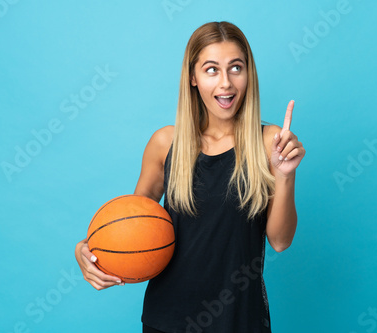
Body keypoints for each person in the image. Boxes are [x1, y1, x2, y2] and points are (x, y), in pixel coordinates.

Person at [75, 21, 305, 333]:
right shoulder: (165, 144)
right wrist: (87, 252)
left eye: (236, 68)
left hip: (239, 321)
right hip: (166, 321)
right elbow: (128, 228)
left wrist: (284, 175)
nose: (226, 83)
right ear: (193, 78)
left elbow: (280, 241)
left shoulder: (270, 142)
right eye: (211, 69)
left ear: (248, 74)